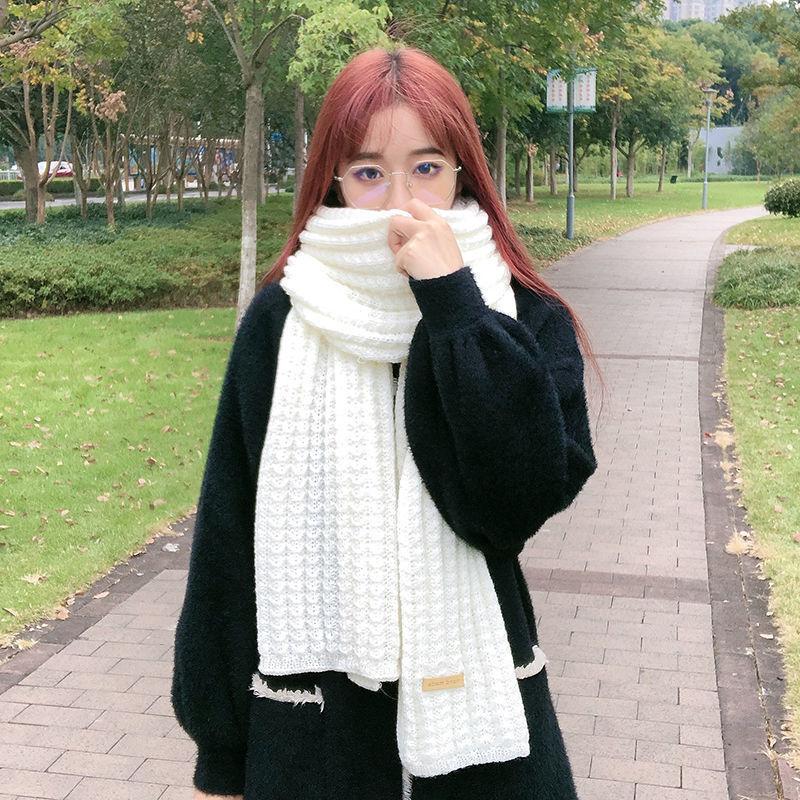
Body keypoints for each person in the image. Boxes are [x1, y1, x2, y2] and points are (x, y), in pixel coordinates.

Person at [171, 44, 601, 800]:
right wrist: (221, 748)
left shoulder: (520, 315)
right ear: (333, 182)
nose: (401, 201)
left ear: (462, 170)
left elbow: (512, 507)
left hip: (487, 735)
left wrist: (454, 306)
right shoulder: (283, 318)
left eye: (426, 167)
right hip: (317, 735)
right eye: (369, 172)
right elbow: (229, 533)